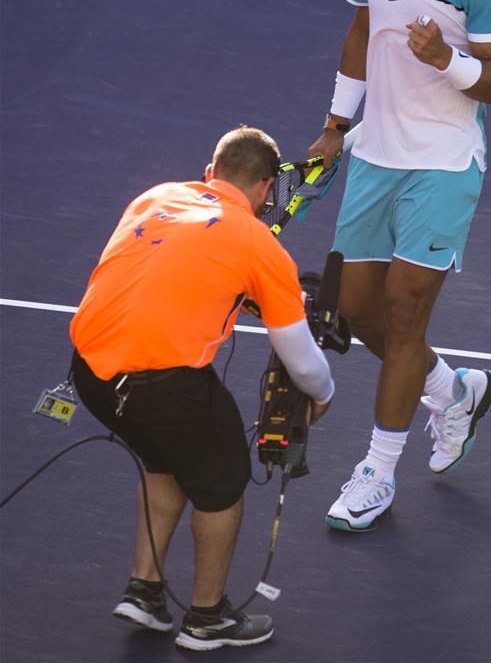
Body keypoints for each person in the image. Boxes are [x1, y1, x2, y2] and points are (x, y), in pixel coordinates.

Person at [308, 0, 491, 532]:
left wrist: (446, 61)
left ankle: (376, 471)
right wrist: (337, 126)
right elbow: (363, 32)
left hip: (443, 163)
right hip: (374, 152)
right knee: (357, 310)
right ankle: (451, 389)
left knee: (403, 318)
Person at [69, 126, 334, 650]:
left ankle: (145, 590)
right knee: (221, 482)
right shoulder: (260, 244)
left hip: (90, 373)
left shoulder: (155, 197)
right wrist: (323, 395)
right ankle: (208, 618)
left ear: (210, 172)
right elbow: (301, 361)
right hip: (164, 386)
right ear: (265, 189)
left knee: (165, 458)